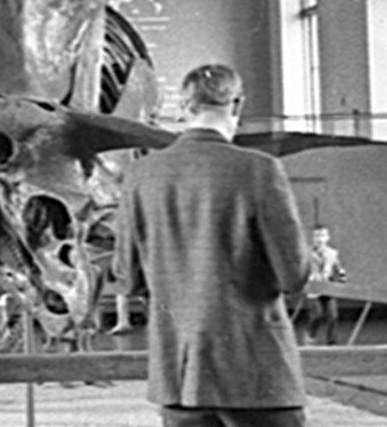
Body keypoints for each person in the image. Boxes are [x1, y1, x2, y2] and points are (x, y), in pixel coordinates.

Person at [112, 62, 310, 427]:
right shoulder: (260, 169)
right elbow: (293, 276)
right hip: (255, 375)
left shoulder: (141, 174)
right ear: (237, 106)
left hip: (179, 376)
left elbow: (127, 278)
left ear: (185, 108)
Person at [301, 226, 346, 346]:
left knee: (332, 315)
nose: (320, 239)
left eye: (323, 235)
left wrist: (342, 279)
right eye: (317, 236)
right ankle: (310, 335)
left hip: (327, 286)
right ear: (313, 238)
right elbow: (302, 269)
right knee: (317, 314)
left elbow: (338, 268)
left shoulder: (332, 253)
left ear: (327, 237)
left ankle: (332, 342)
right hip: (313, 288)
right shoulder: (307, 253)